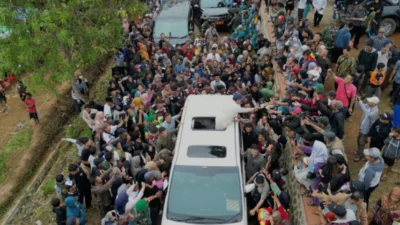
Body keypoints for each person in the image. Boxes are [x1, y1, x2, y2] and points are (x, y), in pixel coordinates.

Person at [354, 97, 379, 162]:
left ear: (374, 103)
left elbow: (368, 114)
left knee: (362, 141)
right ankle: (359, 150)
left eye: (370, 102)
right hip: (362, 126)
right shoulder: (368, 105)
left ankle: (360, 155)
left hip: (366, 128)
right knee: (358, 139)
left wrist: (362, 104)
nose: (368, 102)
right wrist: (358, 101)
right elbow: (359, 107)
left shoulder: (375, 110)